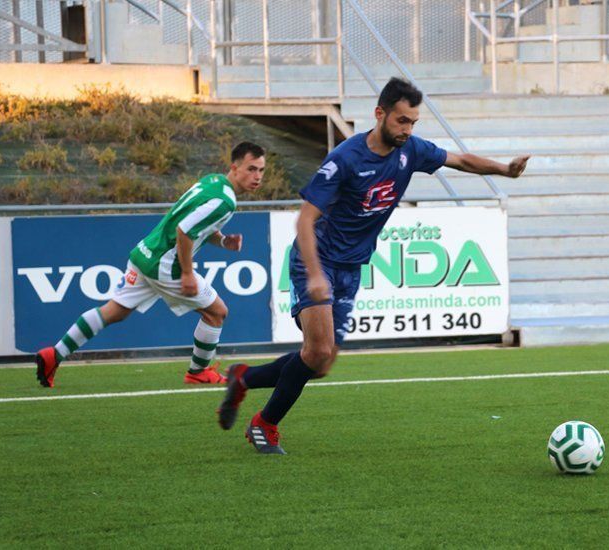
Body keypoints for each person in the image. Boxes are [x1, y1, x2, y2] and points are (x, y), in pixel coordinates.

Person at [217, 78, 529, 455]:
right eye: (401, 120)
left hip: (352, 267)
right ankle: (264, 425)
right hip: (316, 259)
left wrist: (505, 170)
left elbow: (460, 160)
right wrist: (315, 275)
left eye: (413, 122)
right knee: (317, 351)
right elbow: (304, 219)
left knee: (321, 360)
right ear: (379, 114)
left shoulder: (411, 150)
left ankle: (244, 377)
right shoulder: (345, 159)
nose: (407, 129)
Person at [34, 142, 266, 387]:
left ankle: (54, 354)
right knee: (217, 312)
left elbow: (194, 225)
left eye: (261, 170)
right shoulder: (225, 201)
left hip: (145, 252)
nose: (257, 176)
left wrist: (223, 241)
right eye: (252, 169)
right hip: (166, 265)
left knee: (114, 311)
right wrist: (187, 273)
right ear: (235, 167)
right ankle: (199, 371)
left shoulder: (213, 181)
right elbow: (184, 231)